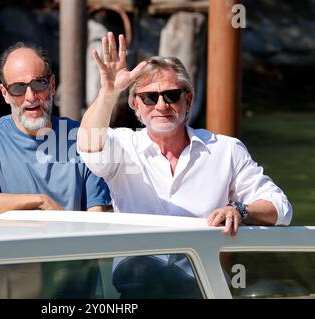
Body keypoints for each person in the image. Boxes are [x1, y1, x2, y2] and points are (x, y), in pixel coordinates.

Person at [77, 32, 293, 297]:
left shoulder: (225, 150)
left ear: (187, 101)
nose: (161, 105)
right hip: (137, 285)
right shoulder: (122, 145)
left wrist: (239, 210)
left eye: (171, 95)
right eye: (149, 98)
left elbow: (280, 208)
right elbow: (88, 144)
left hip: (203, 285)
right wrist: (108, 93)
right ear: (135, 104)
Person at [0, 41, 111, 218]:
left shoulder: (82, 137)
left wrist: (109, 93)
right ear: (5, 93)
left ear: (51, 85)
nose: (30, 97)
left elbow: (98, 217)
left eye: (38, 83)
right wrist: (39, 201)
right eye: (18, 88)